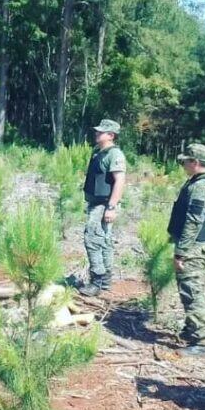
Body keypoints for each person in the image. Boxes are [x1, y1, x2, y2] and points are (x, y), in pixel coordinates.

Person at [167, 143, 205, 355]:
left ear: (196, 163)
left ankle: (201, 342)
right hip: (196, 247)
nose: (183, 165)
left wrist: (181, 251)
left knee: (192, 293)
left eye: (186, 161)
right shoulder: (204, 181)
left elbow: (193, 221)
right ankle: (191, 330)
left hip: (194, 249)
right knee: (188, 290)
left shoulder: (201, 186)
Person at [79, 119, 127, 297]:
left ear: (111, 135)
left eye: (101, 132)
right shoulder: (98, 152)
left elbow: (119, 181)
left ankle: (97, 281)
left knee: (92, 239)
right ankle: (105, 282)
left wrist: (111, 207)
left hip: (104, 204)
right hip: (96, 202)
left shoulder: (115, 155)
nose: (97, 133)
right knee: (104, 242)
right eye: (97, 131)